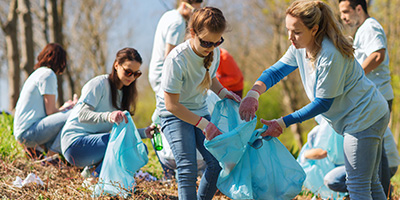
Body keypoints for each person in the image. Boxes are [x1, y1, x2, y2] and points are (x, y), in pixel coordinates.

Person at [239, 1, 390, 199]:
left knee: (358, 185)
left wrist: (282, 122)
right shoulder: (300, 46)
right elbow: (276, 71)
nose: (290, 37)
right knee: (370, 183)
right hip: (369, 113)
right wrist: (253, 94)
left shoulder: (329, 54)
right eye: (288, 30)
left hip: (363, 118)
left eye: (297, 31)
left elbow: (323, 103)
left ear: (315, 29)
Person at [156, 7, 241, 199]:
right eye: (205, 42)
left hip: (199, 110)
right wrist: (205, 124)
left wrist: (224, 93)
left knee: (216, 163)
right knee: (187, 166)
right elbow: (172, 105)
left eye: (216, 42)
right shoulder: (177, 59)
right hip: (174, 114)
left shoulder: (214, 53)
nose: (210, 47)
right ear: (193, 33)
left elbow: (209, 78)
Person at [60, 48, 149, 177]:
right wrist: (109, 116)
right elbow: (82, 115)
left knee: (140, 149)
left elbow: (123, 132)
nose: (132, 77)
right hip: (75, 145)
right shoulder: (99, 84)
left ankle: (91, 174)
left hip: (94, 146)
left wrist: (144, 132)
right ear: (116, 65)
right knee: (125, 145)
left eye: (136, 74)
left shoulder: (124, 95)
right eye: (128, 72)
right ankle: (95, 178)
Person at [338, 0, 395, 197]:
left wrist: (355, 78)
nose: (344, 17)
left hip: (378, 96)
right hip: (375, 98)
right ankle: (382, 192)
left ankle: (383, 192)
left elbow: (378, 54)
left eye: (346, 11)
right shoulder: (362, 30)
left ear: (359, 8)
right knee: (377, 152)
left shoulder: (370, 27)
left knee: (377, 153)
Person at [13, 43, 77, 159]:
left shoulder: (37, 74)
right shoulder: (48, 74)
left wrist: (64, 108)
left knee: (69, 116)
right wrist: (68, 108)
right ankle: (52, 156)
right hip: (28, 133)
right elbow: (51, 112)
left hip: (23, 133)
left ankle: (39, 151)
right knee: (75, 114)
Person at [148, 0, 202, 93]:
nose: (195, 16)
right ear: (185, 6)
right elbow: (170, 57)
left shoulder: (169, 15)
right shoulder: (178, 23)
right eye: (194, 11)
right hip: (163, 77)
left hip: (155, 73)